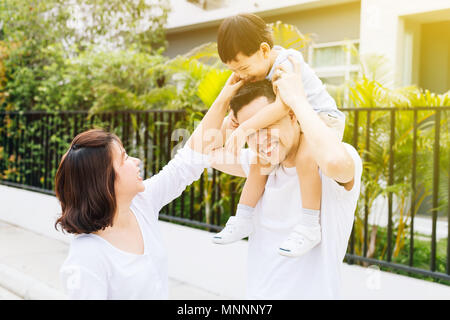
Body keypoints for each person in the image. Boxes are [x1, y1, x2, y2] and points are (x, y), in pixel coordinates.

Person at [55, 76, 243, 299]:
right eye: (124, 158)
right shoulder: (86, 258)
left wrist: (224, 101)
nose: (136, 160)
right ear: (104, 181)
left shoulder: (141, 205)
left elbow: (187, 163)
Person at [208, 57, 362, 299]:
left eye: (267, 124)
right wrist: (224, 105)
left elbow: (334, 163)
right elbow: (204, 151)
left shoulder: (330, 162)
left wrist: (298, 101)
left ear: (291, 116)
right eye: (251, 131)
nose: (260, 140)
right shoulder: (261, 165)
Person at [212, 13, 345, 257]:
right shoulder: (258, 70)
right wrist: (231, 116)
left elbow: (283, 107)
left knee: (307, 158)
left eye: (243, 68)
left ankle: (308, 225)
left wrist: (244, 128)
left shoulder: (286, 63)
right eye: (235, 71)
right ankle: (243, 216)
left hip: (322, 119)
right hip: (294, 122)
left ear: (264, 50)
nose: (242, 76)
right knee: (258, 161)